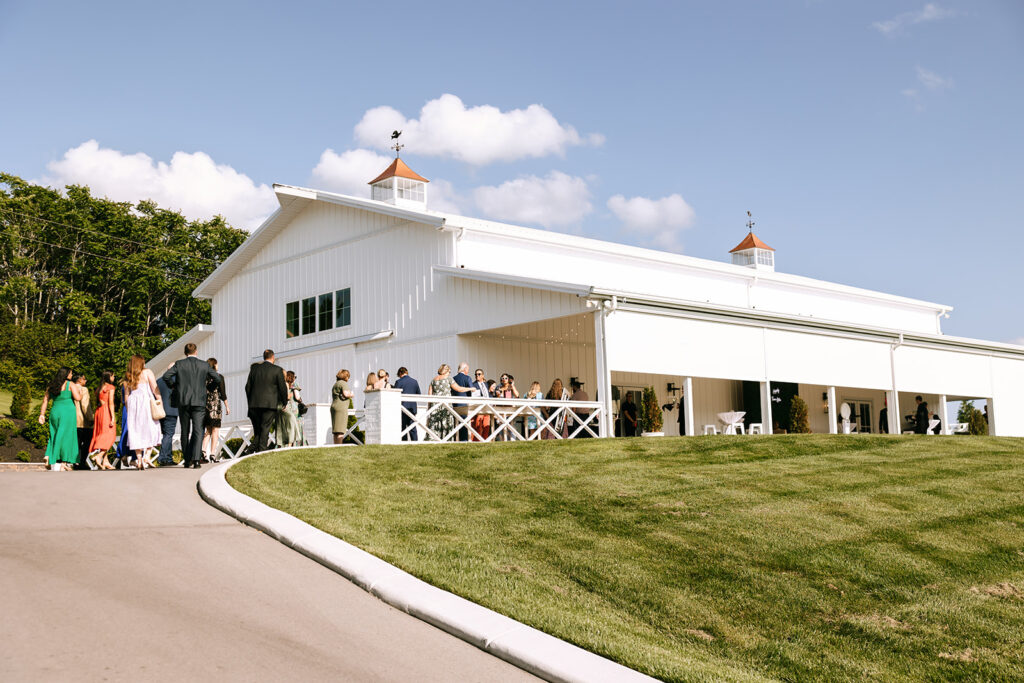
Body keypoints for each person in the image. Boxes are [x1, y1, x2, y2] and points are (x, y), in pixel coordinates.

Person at [163, 342, 221, 468]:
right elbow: (217, 378)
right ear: (196, 352)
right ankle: (196, 460)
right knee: (198, 430)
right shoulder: (203, 365)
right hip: (199, 401)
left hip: (183, 401)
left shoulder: (179, 364)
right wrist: (208, 388)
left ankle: (187, 459)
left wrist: (174, 387)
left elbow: (166, 376)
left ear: (185, 353)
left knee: (185, 431)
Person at [38, 366, 86, 471]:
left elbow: (45, 401)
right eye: (70, 373)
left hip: (55, 411)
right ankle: (63, 461)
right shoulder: (70, 384)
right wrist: (81, 392)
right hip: (67, 412)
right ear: (66, 374)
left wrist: (42, 414)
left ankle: (48, 455)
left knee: (54, 434)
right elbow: (78, 398)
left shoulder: (51, 385)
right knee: (66, 436)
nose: (72, 375)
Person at [245, 349, 288, 453]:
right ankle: (261, 451)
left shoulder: (254, 369)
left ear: (264, 357)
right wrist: (284, 402)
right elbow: (282, 388)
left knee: (258, 430)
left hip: (254, 404)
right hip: (269, 404)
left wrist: (251, 401)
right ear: (273, 357)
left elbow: (247, 387)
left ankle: (251, 450)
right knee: (265, 428)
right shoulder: (277, 370)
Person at [124, 354, 161, 469]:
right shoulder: (147, 372)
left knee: (136, 431)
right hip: (145, 401)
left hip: (133, 402)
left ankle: (139, 460)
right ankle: (147, 456)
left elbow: (126, 396)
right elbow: (154, 387)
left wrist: (129, 408)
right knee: (152, 428)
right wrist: (159, 399)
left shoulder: (128, 375)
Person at [201, 358, 229, 462]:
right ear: (215, 365)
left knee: (207, 430)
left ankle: (203, 451)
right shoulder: (219, 377)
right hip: (216, 406)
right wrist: (227, 406)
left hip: (205, 406)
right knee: (215, 430)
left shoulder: (204, 378)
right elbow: (223, 393)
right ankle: (212, 453)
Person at [88, 371, 117, 470]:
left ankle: (106, 461)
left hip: (99, 412)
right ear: (109, 377)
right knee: (110, 435)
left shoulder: (99, 388)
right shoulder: (110, 387)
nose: (114, 377)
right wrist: (113, 417)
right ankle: (99, 456)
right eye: (113, 376)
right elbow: (111, 403)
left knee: (102, 434)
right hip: (106, 412)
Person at [155, 368, 178, 466]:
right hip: (171, 410)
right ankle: (163, 458)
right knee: (168, 434)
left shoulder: (158, 381)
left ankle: (168, 458)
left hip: (160, 410)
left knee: (166, 434)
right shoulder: (176, 380)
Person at [426, 364, 455, 440]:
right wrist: (469, 389)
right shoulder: (449, 379)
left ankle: (433, 439)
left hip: (435, 405)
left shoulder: (433, 380)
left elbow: (429, 394)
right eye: (449, 371)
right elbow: (458, 388)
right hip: (446, 405)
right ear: (447, 370)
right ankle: (447, 438)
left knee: (434, 422)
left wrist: (429, 407)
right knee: (446, 421)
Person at [275, 370, 303, 447]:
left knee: (281, 427)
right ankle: (290, 445)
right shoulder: (288, 385)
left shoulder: (279, 384)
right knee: (292, 424)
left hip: (279, 407)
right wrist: (292, 395)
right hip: (286, 407)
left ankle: (281, 445)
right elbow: (289, 397)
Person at [393, 367, 421, 441]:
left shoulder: (398, 382)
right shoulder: (414, 381)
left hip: (402, 407)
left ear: (400, 373)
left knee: (403, 427)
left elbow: (394, 395)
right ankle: (415, 442)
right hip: (412, 408)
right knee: (413, 427)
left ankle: (404, 442)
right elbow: (418, 394)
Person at [72, 372, 93, 469]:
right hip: (82, 421)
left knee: (76, 443)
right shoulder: (83, 389)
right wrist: (91, 418)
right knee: (86, 442)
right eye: (84, 379)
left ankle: (75, 462)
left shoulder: (70, 388)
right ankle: (81, 462)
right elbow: (85, 405)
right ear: (79, 380)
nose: (86, 380)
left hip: (72, 420)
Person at [451, 362, 474, 441]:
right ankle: (464, 440)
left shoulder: (453, 378)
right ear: (465, 369)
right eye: (468, 369)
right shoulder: (467, 378)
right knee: (464, 423)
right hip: (464, 403)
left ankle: (456, 439)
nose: (468, 371)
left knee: (456, 423)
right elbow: (471, 392)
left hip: (454, 404)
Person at [493, 373, 519, 440]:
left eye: (506, 378)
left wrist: (512, 386)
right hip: (501, 410)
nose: (504, 379)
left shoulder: (511, 387)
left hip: (510, 410)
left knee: (510, 425)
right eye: (502, 378)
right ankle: (503, 440)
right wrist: (499, 394)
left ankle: (512, 439)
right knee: (502, 426)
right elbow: (497, 397)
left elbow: (517, 395)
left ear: (508, 379)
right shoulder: (499, 387)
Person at [470, 369, 492, 441]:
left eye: (479, 374)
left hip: (487, 406)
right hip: (479, 407)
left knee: (486, 424)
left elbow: (488, 395)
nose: (477, 376)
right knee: (478, 425)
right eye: (476, 374)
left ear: (483, 375)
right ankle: (477, 440)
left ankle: (485, 440)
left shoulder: (486, 384)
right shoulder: (473, 385)